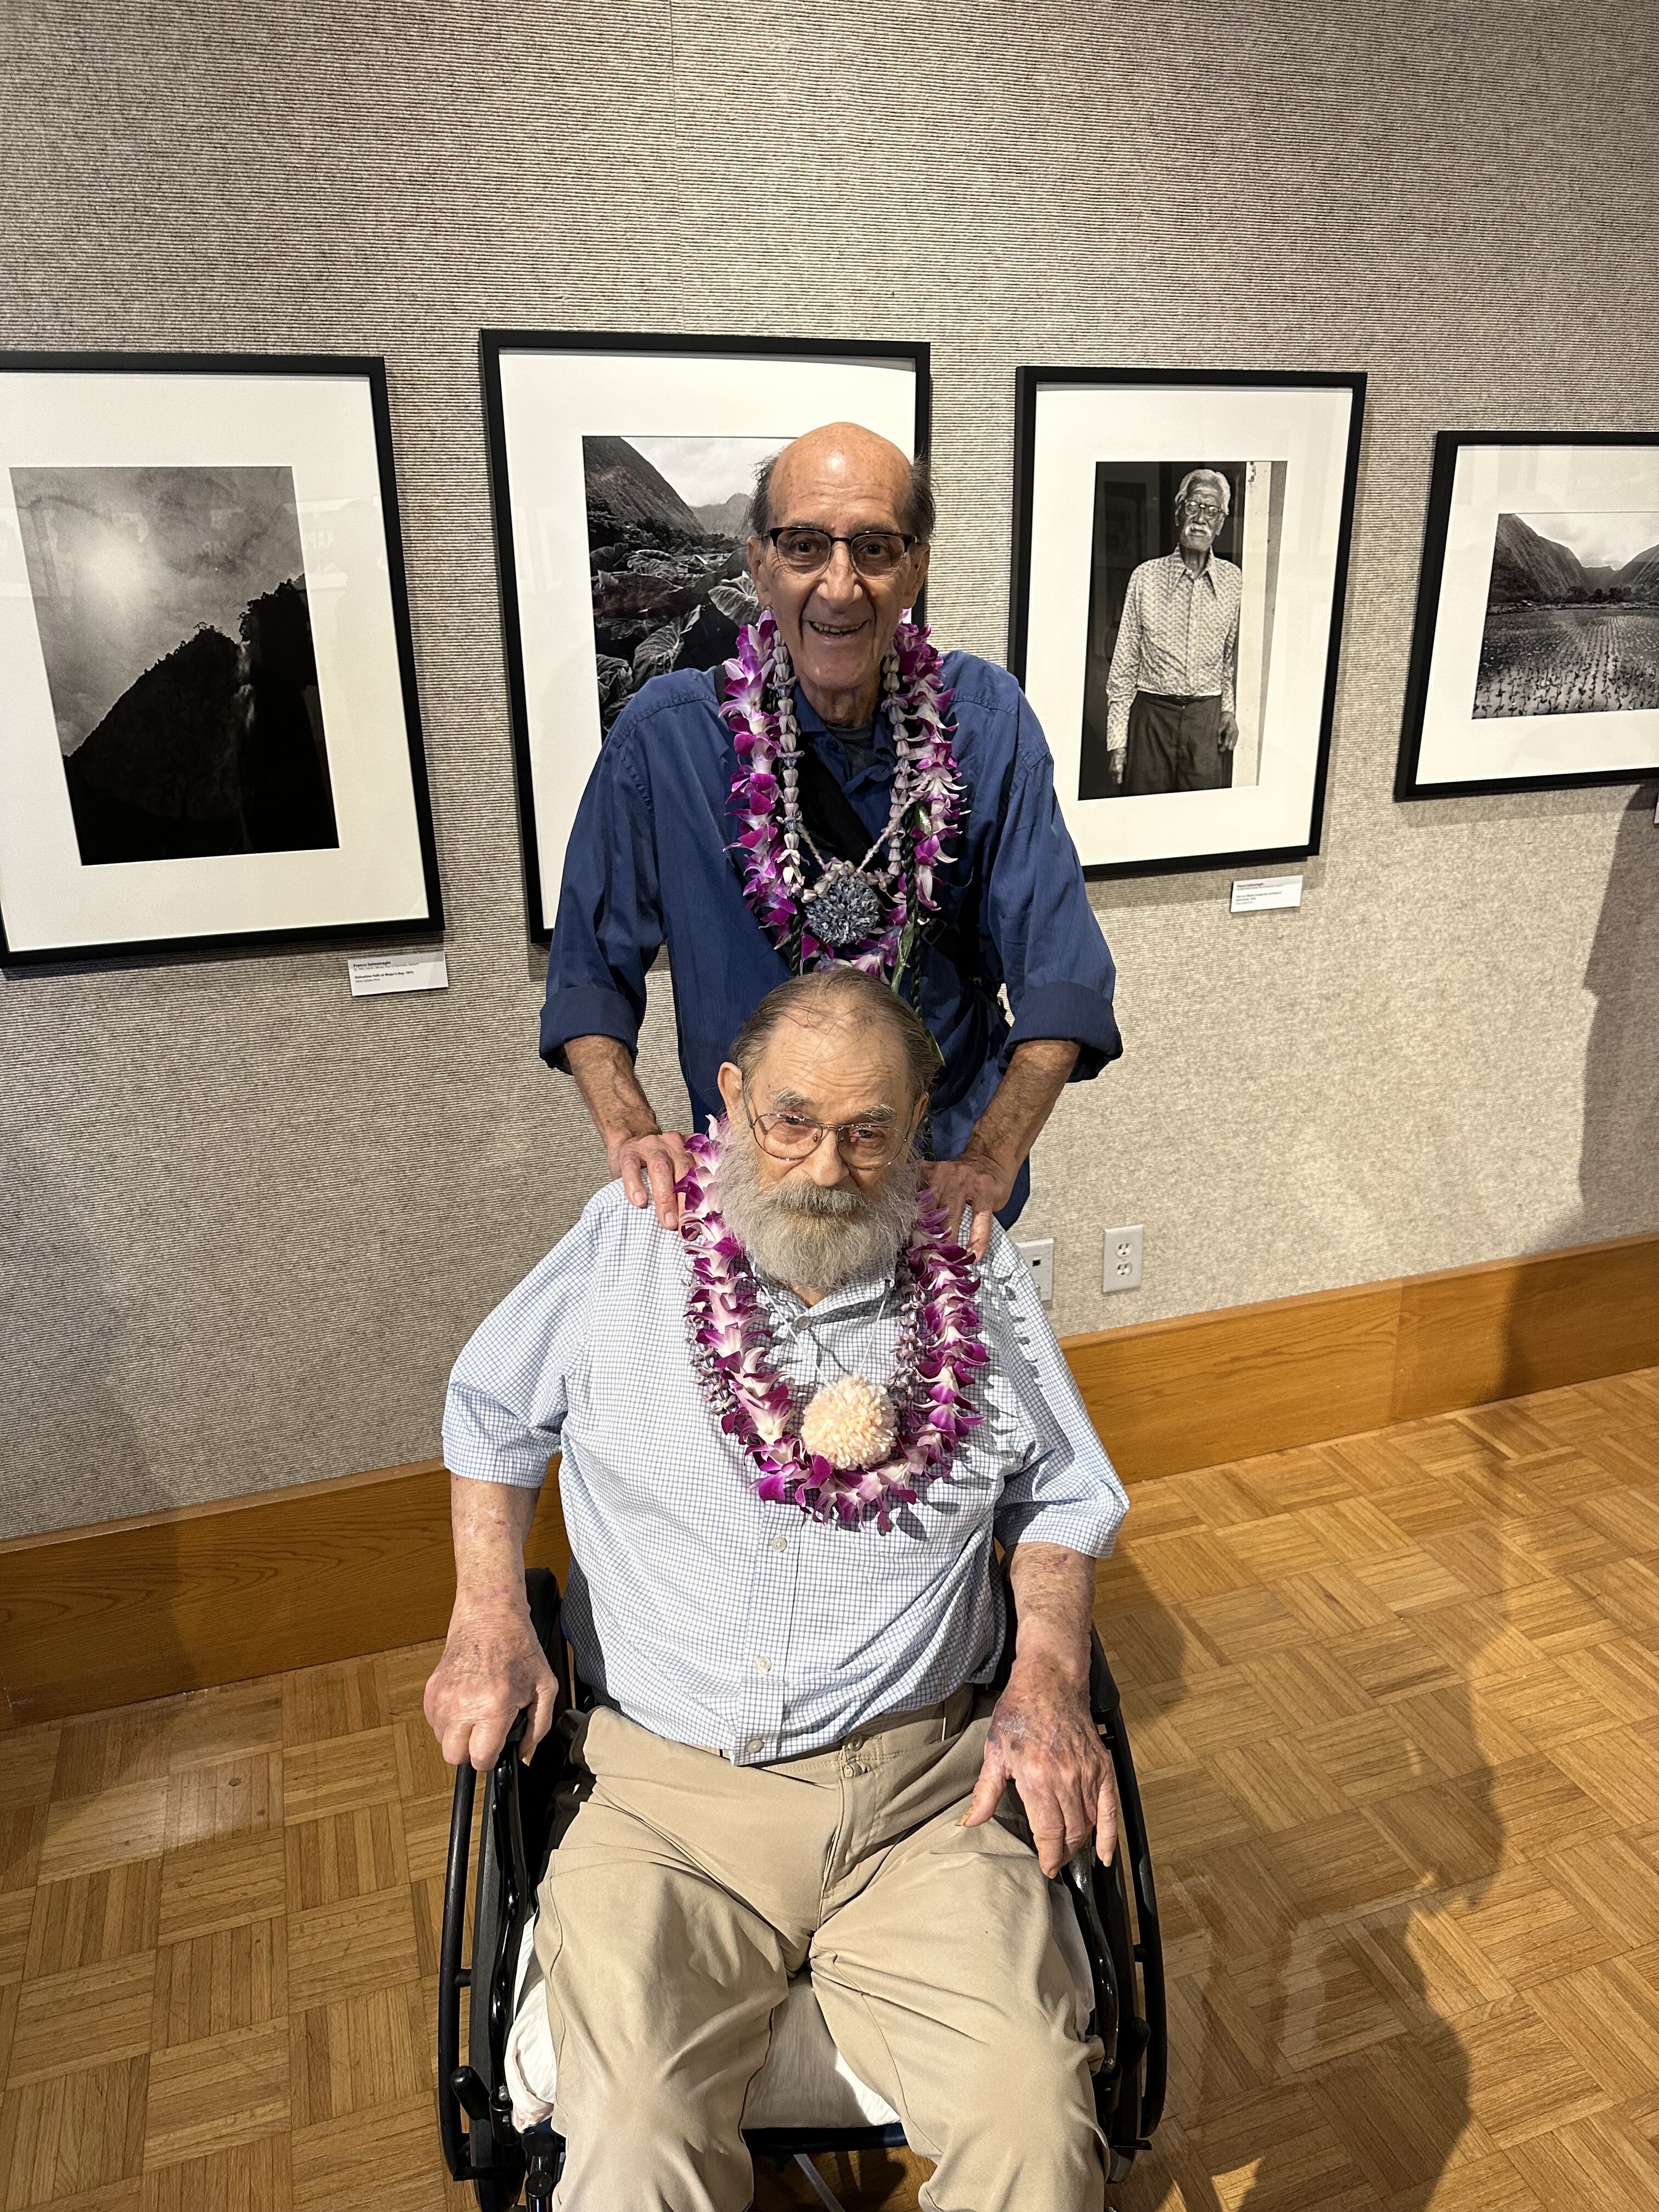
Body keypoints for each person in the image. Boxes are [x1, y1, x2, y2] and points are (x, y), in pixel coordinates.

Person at [427, 966, 1128, 2212]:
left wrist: (1049, 1674)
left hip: (925, 1804)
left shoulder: (972, 1261)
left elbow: (1062, 1494)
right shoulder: (631, 1241)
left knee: (1037, 2121)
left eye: (870, 1132)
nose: (823, 1166)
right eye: (790, 1121)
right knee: (634, 2143)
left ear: (921, 1126)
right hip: (668, 1809)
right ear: (731, 1100)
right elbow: (491, 1410)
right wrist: (487, 1613)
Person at [543, 421, 1121, 1258]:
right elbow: (589, 976)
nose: (841, 586)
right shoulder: (667, 742)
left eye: (876, 548)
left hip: (933, 1200)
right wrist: (631, 1130)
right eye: (807, 545)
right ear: (759, 563)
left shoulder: (985, 726)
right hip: (753, 1197)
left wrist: (991, 1158)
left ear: (916, 565)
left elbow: (1063, 982)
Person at [1104, 467, 1243, 797]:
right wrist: (1117, 742)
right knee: (1144, 814)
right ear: (1179, 512)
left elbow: (1229, 658)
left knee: (1202, 819)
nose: (1201, 518)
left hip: (1205, 721)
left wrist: (1228, 710)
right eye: (1193, 506)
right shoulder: (1145, 577)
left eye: (1212, 511)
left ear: (1221, 523)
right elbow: (1123, 666)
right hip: (1152, 717)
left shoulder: (1233, 581)